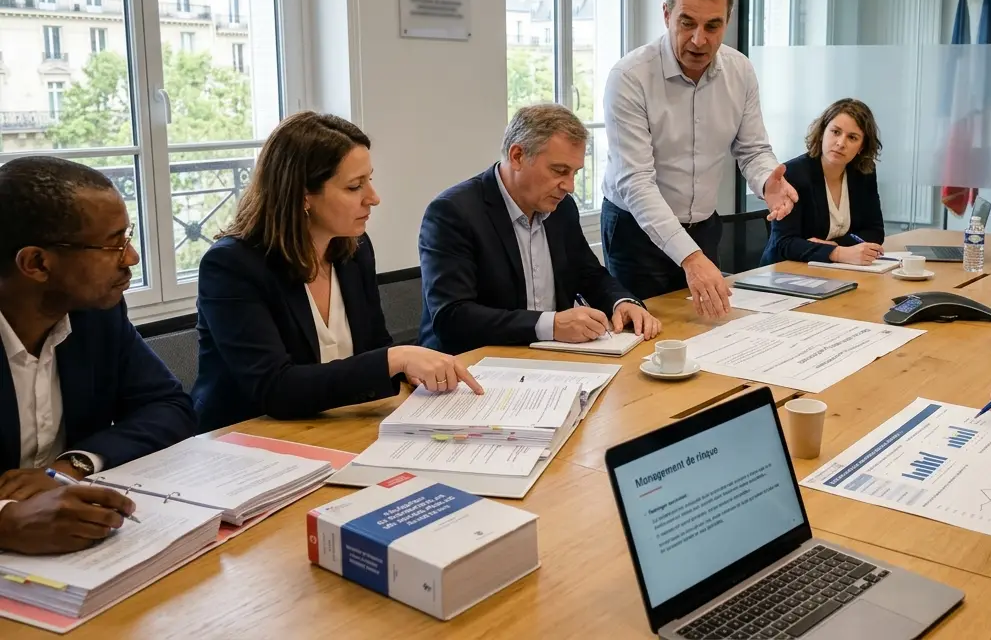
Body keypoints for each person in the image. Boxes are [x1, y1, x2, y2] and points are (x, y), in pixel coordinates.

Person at [193, 112, 481, 432]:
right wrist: (394, 360)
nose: (373, 198)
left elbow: (374, 346)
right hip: (244, 440)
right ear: (303, 196)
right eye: (355, 186)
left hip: (334, 427)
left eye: (369, 179)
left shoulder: (353, 249)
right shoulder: (231, 266)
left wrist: (408, 371)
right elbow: (276, 388)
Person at [0, 157, 196, 555]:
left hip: (83, 547)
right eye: (113, 243)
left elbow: (169, 407)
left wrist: (72, 467)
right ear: (37, 263)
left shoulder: (97, 315)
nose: (131, 258)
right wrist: (5, 521)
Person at [601, 0, 798, 316]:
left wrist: (768, 180)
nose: (698, 39)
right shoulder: (630, 77)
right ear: (666, 15)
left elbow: (753, 149)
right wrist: (691, 258)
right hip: (635, 230)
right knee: (641, 330)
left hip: (703, 226)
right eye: (687, 23)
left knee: (705, 328)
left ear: (728, 20)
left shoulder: (740, 71)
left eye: (712, 26)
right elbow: (636, 182)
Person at [419, 105, 661, 354]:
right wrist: (551, 325)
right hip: (475, 364)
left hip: (552, 359)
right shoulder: (452, 213)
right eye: (559, 171)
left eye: (575, 173)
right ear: (517, 157)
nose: (569, 186)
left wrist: (621, 302)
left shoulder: (562, 208)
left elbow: (588, 273)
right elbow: (453, 317)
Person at [760, 98, 886, 266]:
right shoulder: (793, 174)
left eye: (852, 137)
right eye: (835, 132)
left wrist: (834, 247)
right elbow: (784, 243)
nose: (841, 143)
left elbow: (874, 231)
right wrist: (839, 253)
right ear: (822, 133)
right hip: (786, 272)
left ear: (861, 147)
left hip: (833, 271)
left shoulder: (863, 174)